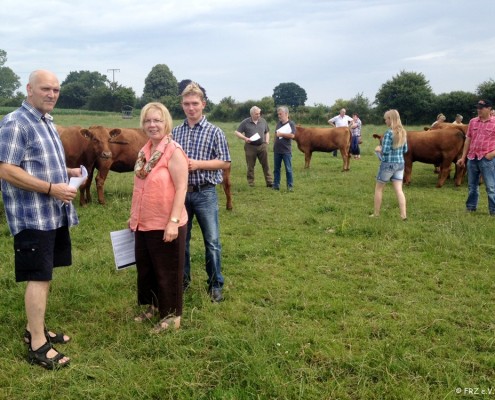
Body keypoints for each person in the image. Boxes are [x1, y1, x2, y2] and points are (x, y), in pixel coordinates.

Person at [0, 70, 83, 369]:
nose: (51, 94)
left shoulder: (45, 121)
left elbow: (40, 163)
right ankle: (37, 345)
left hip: (52, 214)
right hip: (32, 216)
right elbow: (6, 170)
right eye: (45, 89)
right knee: (38, 276)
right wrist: (51, 188)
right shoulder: (15, 123)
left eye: (56, 90)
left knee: (45, 274)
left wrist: (68, 173)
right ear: (29, 89)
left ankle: (33, 328)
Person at [129, 102, 189, 332]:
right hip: (143, 222)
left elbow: (182, 188)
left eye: (157, 120)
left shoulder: (174, 151)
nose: (152, 125)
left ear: (166, 123)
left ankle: (172, 317)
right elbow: (140, 187)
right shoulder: (144, 151)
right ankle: (153, 307)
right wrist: (133, 216)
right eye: (147, 121)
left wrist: (173, 222)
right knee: (147, 269)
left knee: (168, 270)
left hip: (166, 222)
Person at [173, 83, 231, 302]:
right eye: (187, 104)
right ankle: (182, 280)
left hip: (205, 192)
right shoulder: (176, 131)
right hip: (180, 193)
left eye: (195, 104)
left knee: (212, 240)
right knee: (181, 240)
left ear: (203, 104)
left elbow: (225, 162)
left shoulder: (215, 131)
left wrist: (198, 164)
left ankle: (215, 284)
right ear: (182, 105)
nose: (191, 108)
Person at [456, 99, 495, 215]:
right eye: (478, 108)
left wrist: (492, 154)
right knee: (472, 186)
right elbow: (468, 139)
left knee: (491, 187)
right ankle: (471, 207)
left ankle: (493, 211)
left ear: (489, 109)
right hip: (472, 158)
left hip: (487, 159)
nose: (479, 110)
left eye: (481, 108)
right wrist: (463, 157)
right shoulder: (473, 122)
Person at [371, 109, 408, 220]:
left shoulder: (388, 133)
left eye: (386, 119)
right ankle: (403, 215)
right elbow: (405, 150)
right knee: (399, 190)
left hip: (388, 164)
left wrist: (379, 149)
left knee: (378, 189)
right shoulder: (403, 132)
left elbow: (386, 150)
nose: (385, 121)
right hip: (400, 164)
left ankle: (376, 214)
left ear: (390, 119)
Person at [234, 106, 273, 187]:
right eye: (256, 114)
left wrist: (267, 142)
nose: (258, 115)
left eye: (259, 113)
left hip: (262, 146)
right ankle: (251, 183)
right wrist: (245, 138)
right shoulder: (245, 122)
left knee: (266, 164)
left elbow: (267, 132)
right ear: (251, 114)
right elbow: (237, 132)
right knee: (250, 165)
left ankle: (269, 182)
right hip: (250, 147)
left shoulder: (263, 121)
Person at [273, 106, 296, 191]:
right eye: (278, 114)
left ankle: (290, 186)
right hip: (277, 150)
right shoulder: (278, 123)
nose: (279, 116)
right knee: (276, 169)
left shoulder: (291, 124)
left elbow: (292, 136)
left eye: (280, 114)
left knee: (288, 169)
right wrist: (274, 143)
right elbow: (275, 134)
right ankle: (276, 185)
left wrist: (281, 134)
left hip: (286, 151)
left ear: (286, 114)